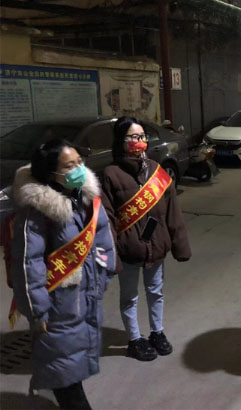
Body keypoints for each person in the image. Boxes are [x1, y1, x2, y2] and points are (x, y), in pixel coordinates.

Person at [11, 139, 117, 409]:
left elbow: (103, 240)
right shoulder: (36, 211)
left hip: (85, 298)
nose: (79, 169)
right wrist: (37, 311)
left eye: (79, 162)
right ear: (50, 173)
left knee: (73, 365)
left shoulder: (86, 198)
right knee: (65, 372)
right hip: (57, 306)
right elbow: (28, 263)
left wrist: (103, 275)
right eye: (69, 166)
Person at [101, 117, 191, 362]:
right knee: (129, 297)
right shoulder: (111, 174)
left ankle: (157, 332)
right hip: (128, 249)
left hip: (157, 246)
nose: (140, 141)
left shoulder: (156, 170)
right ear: (121, 141)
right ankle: (134, 339)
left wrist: (180, 245)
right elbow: (106, 219)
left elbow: (173, 211)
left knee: (156, 292)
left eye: (142, 137)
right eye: (134, 137)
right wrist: (112, 254)